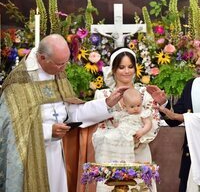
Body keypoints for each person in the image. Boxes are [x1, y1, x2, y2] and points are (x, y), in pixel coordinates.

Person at [0, 34, 129, 192]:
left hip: (57, 152)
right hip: (31, 157)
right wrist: (48, 131)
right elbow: (11, 129)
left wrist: (107, 103)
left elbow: (73, 112)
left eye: (65, 63)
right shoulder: (19, 82)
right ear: (42, 57)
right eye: (60, 64)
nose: (63, 69)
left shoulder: (57, 74)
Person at [92, 47, 160, 192]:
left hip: (139, 153)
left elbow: (153, 122)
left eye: (130, 67)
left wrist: (136, 138)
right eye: (121, 67)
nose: (127, 71)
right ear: (113, 69)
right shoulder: (102, 95)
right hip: (111, 157)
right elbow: (100, 125)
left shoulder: (144, 93)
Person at [146, 57, 200, 192]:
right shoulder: (191, 85)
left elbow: (181, 117)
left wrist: (181, 116)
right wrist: (164, 104)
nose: (197, 62)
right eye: (197, 58)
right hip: (192, 161)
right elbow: (174, 120)